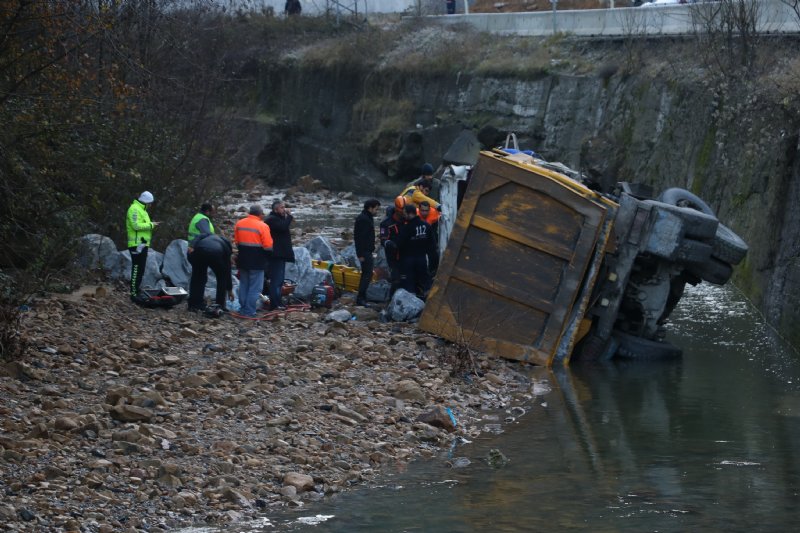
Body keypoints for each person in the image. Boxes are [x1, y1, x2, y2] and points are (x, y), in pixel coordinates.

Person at [234, 205, 273, 317]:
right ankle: (249, 311)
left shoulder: (239, 223)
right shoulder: (263, 226)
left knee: (244, 284)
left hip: (242, 259)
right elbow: (268, 247)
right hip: (257, 261)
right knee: (255, 288)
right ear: (260, 214)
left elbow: (236, 242)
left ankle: (243, 308)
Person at [397, 203, 437, 299]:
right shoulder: (426, 225)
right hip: (422, 258)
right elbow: (432, 243)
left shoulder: (407, 228)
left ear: (410, 214)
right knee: (424, 278)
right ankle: (429, 298)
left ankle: (412, 300)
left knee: (409, 281)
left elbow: (399, 243)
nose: (403, 215)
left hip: (408, 258)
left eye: (405, 213)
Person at [187, 234, 234, 312]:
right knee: (222, 278)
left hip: (197, 252)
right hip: (215, 253)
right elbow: (227, 271)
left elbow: (197, 237)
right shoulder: (226, 247)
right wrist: (229, 289)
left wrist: (191, 246)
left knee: (198, 277)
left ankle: (194, 305)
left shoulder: (208, 235)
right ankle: (220, 306)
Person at [126, 191, 158, 303]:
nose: (150, 205)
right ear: (146, 201)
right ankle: (133, 293)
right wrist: (151, 225)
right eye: (150, 203)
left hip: (142, 244)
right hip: (136, 244)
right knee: (136, 268)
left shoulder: (143, 211)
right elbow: (136, 226)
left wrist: (151, 224)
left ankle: (136, 290)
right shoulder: (134, 208)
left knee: (141, 269)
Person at [265, 199, 295, 310]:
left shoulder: (277, 218)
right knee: (276, 281)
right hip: (275, 254)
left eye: (284, 207)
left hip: (280, 254)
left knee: (279, 280)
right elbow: (283, 227)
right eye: (282, 207)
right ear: (276, 209)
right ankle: (275, 304)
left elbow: (283, 224)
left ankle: (278, 303)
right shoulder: (271, 219)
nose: (284, 209)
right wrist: (289, 216)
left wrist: (287, 216)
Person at [354, 198, 381, 306]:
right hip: (364, 252)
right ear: (370, 208)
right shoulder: (363, 219)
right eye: (376, 209)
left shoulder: (367, 217)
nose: (377, 211)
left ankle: (362, 296)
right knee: (367, 274)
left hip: (367, 251)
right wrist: (360, 254)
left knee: (367, 274)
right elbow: (359, 238)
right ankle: (361, 298)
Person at [379, 196, 407, 296]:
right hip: (393, 254)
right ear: (397, 209)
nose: (403, 212)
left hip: (406, 252)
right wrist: (389, 243)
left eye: (404, 210)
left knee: (407, 276)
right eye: (401, 210)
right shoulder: (386, 223)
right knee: (396, 278)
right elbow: (383, 239)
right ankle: (391, 298)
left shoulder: (407, 220)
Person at [417, 200, 441, 277]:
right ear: (419, 209)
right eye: (422, 211)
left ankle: (433, 271)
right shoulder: (414, 215)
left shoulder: (434, 214)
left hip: (430, 235)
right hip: (418, 237)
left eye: (426, 211)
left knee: (434, 254)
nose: (424, 213)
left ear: (429, 210)